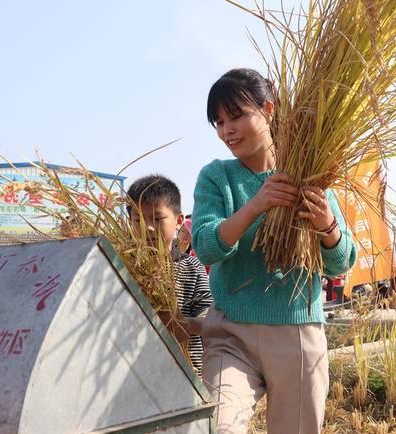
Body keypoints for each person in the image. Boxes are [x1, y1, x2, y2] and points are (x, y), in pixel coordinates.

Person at [192, 68, 357, 433]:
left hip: (296, 333)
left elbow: (340, 262)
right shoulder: (217, 176)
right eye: (218, 122)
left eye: (236, 116)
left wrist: (327, 225)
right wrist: (255, 206)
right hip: (230, 333)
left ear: (268, 109)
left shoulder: (307, 173)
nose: (226, 130)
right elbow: (204, 246)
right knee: (217, 427)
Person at [126, 175, 213, 375]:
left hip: (185, 371)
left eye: (157, 218)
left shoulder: (191, 266)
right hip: (134, 370)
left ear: (179, 220)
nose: (147, 227)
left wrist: (186, 324)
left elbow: (208, 315)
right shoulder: (124, 267)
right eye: (138, 219)